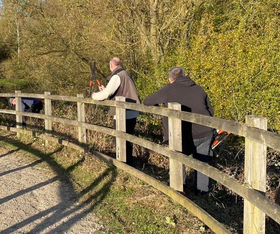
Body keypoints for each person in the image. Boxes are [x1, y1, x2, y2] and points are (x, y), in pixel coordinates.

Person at [143, 66, 215, 195]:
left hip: (181, 134)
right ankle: (202, 192)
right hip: (204, 131)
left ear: (170, 79)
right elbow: (210, 111)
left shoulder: (169, 89)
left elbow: (147, 101)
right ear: (186, 75)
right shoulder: (199, 89)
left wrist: (158, 109)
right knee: (202, 162)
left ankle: (180, 190)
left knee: (179, 158)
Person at [92, 57, 140, 165]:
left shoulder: (117, 76)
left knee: (119, 141)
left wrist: (94, 95)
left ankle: (124, 165)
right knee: (127, 140)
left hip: (123, 114)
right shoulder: (125, 74)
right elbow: (116, 91)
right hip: (131, 111)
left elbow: (106, 94)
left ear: (111, 66)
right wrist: (105, 90)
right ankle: (128, 164)